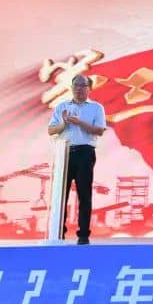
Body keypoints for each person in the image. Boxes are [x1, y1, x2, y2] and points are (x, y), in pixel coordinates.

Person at [47, 74, 106, 244]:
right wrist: (64, 124)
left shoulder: (96, 108)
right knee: (61, 195)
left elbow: (99, 130)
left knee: (84, 195)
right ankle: (58, 233)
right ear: (71, 87)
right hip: (64, 153)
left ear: (89, 88)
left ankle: (83, 235)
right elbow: (51, 130)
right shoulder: (62, 106)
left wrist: (79, 122)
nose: (79, 88)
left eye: (83, 85)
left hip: (85, 153)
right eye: (76, 85)